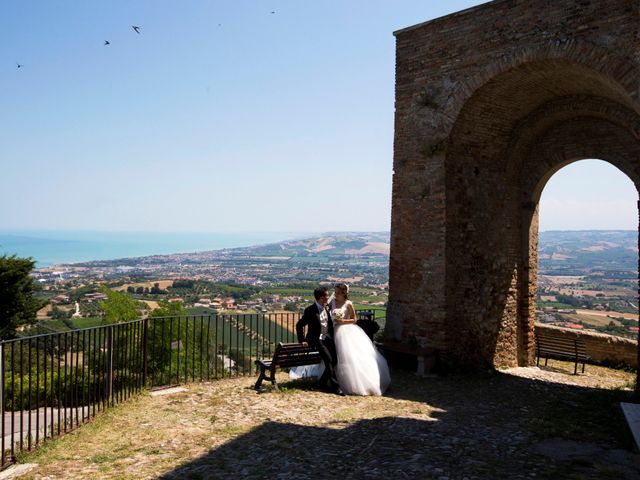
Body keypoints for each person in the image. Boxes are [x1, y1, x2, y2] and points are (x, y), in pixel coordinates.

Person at [331, 283, 391, 396]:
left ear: (344, 293)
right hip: (334, 330)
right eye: (335, 292)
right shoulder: (332, 302)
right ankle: (334, 379)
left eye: (338, 292)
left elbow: (354, 319)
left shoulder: (348, 303)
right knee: (335, 356)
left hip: (346, 331)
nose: (336, 294)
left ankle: (353, 382)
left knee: (349, 356)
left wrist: (342, 321)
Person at [295, 286, 343, 395]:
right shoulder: (310, 310)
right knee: (329, 360)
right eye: (326, 295)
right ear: (321, 298)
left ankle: (322, 383)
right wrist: (302, 340)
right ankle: (336, 387)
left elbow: (329, 325)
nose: (328, 297)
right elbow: (299, 325)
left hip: (327, 338)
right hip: (316, 340)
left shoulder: (326, 308)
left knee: (335, 360)